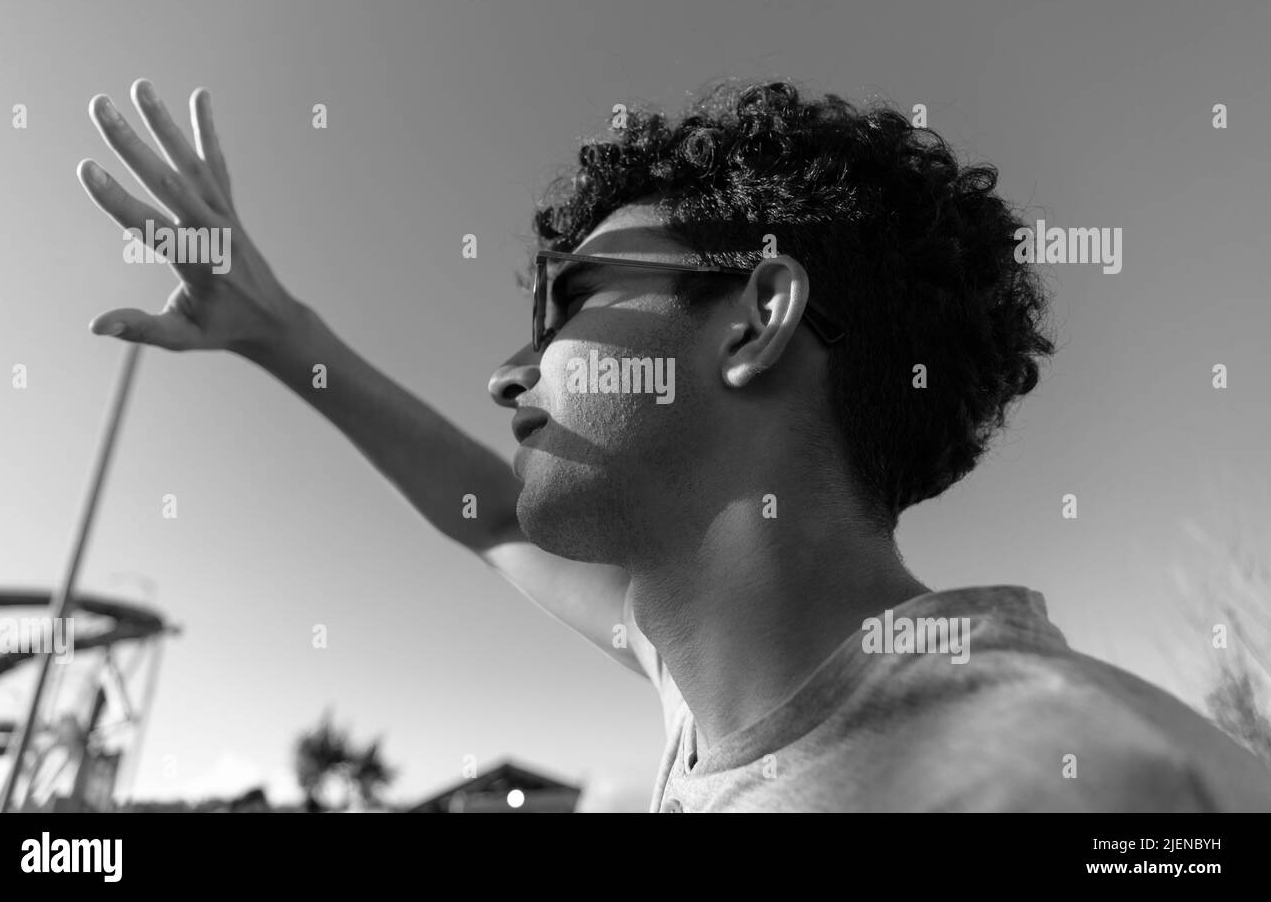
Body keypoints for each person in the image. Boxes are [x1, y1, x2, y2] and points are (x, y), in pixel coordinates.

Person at [77, 77, 1271, 811]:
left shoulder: (1081, 774)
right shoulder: (703, 688)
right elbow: (489, 515)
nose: (506, 371)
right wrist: (277, 330)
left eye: (572, 302)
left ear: (756, 318)